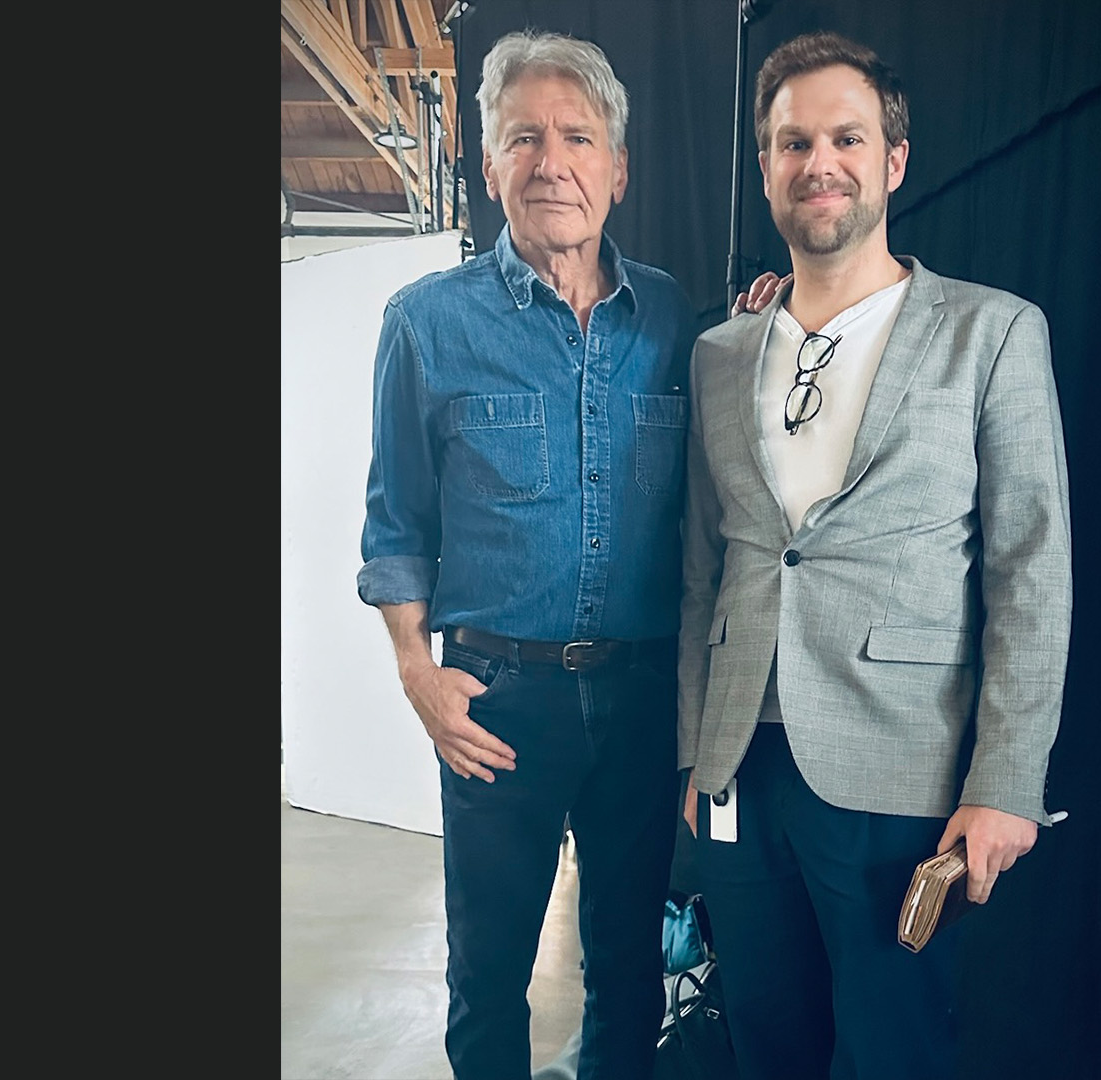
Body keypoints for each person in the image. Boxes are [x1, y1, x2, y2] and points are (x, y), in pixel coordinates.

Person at [354, 29, 782, 1080]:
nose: (554, 161)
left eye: (579, 137)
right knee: (487, 971)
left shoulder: (674, 320)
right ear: (489, 164)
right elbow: (396, 525)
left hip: (641, 700)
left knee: (630, 961)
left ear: (619, 169)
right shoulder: (424, 325)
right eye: (525, 138)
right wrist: (418, 672)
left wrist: (763, 330)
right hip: (496, 698)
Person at [676, 30, 1074, 1080]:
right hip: (739, 767)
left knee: (895, 1051)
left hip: (905, 771)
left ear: (893, 161)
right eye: (792, 141)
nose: (819, 162)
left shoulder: (992, 333)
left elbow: (1031, 571)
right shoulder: (721, 353)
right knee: (763, 1040)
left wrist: (1008, 780)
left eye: (846, 138)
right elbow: (701, 570)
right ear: (765, 166)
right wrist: (691, 748)